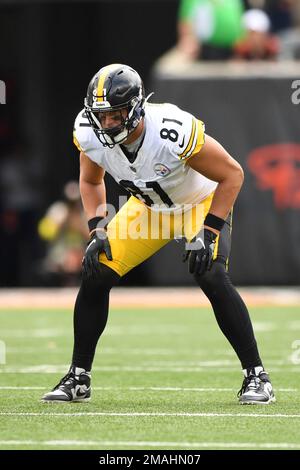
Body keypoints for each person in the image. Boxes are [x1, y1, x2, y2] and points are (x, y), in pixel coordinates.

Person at [42, 64, 275, 405]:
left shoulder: (170, 129)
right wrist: (96, 228)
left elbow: (232, 175)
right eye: (101, 116)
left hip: (198, 202)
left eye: (115, 115)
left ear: (136, 109)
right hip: (148, 210)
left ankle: (257, 376)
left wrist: (209, 232)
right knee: (96, 271)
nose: (107, 124)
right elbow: (91, 181)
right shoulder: (88, 132)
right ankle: (78, 377)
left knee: (209, 273)